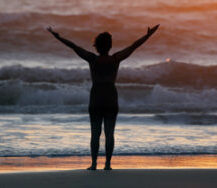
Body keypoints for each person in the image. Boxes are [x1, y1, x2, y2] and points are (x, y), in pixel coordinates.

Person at [46, 24, 160, 170]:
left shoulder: (92, 59)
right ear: (110, 46)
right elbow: (134, 46)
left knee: (95, 133)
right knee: (109, 133)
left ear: (96, 46)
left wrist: (58, 37)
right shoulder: (115, 59)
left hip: (96, 97)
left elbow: (74, 46)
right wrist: (149, 35)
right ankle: (107, 164)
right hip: (111, 97)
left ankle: (93, 164)